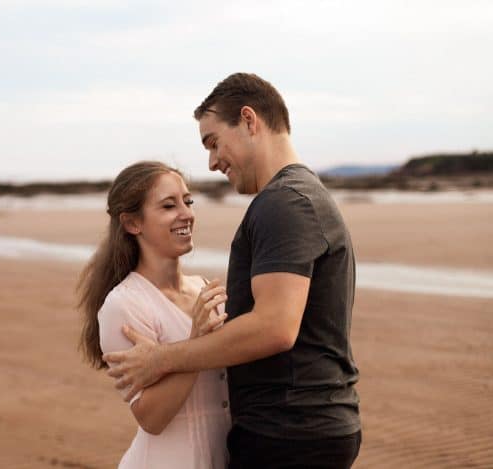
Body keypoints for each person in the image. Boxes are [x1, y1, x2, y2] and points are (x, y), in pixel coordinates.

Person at [103, 73, 362, 468]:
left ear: (248, 120)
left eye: (213, 142)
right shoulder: (297, 197)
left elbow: (275, 327)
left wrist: (162, 358)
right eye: (168, 205)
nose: (212, 161)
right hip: (295, 429)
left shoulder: (285, 202)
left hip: (290, 434)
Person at [78, 161, 232, 468]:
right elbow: (151, 418)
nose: (186, 214)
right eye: (168, 206)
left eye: (187, 201)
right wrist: (197, 340)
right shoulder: (123, 305)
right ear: (133, 223)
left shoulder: (204, 288)